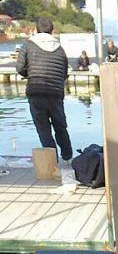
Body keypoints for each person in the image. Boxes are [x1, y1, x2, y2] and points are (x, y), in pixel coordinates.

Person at [16, 17, 72, 164]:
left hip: (36, 91)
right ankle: (68, 157)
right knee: (60, 126)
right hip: (55, 92)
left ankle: (52, 162)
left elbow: (19, 68)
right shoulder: (60, 49)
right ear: (52, 31)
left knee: (43, 128)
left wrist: (30, 74)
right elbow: (64, 74)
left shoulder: (28, 45)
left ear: (36, 30)